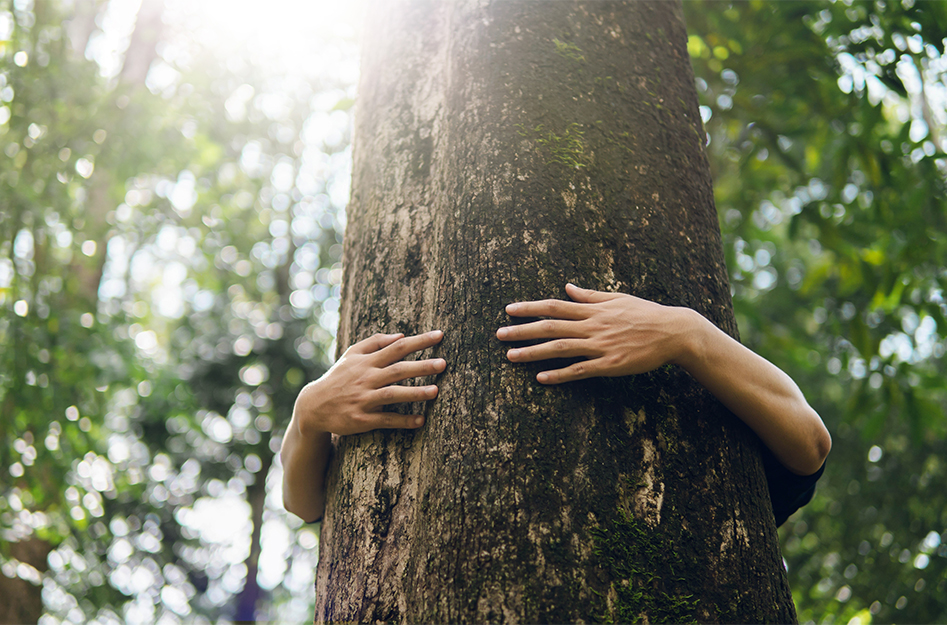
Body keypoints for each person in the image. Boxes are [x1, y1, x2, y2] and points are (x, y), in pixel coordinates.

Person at [280, 283, 831, 527]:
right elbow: (308, 505)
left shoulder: (715, 402)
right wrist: (307, 415)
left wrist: (686, 332)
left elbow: (808, 445)